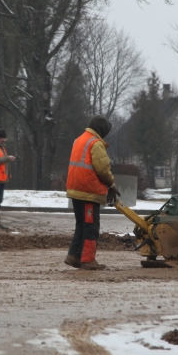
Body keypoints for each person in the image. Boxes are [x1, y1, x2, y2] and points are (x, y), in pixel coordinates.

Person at [65, 115, 120, 270]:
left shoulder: (79, 140)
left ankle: (74, 256)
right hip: (89, 190)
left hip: (76, 189)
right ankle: (88, 260)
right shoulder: (95, 144)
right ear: (102, 131)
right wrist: (111, 184)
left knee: (81, 225)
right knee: (91, 227)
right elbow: (102, 169)